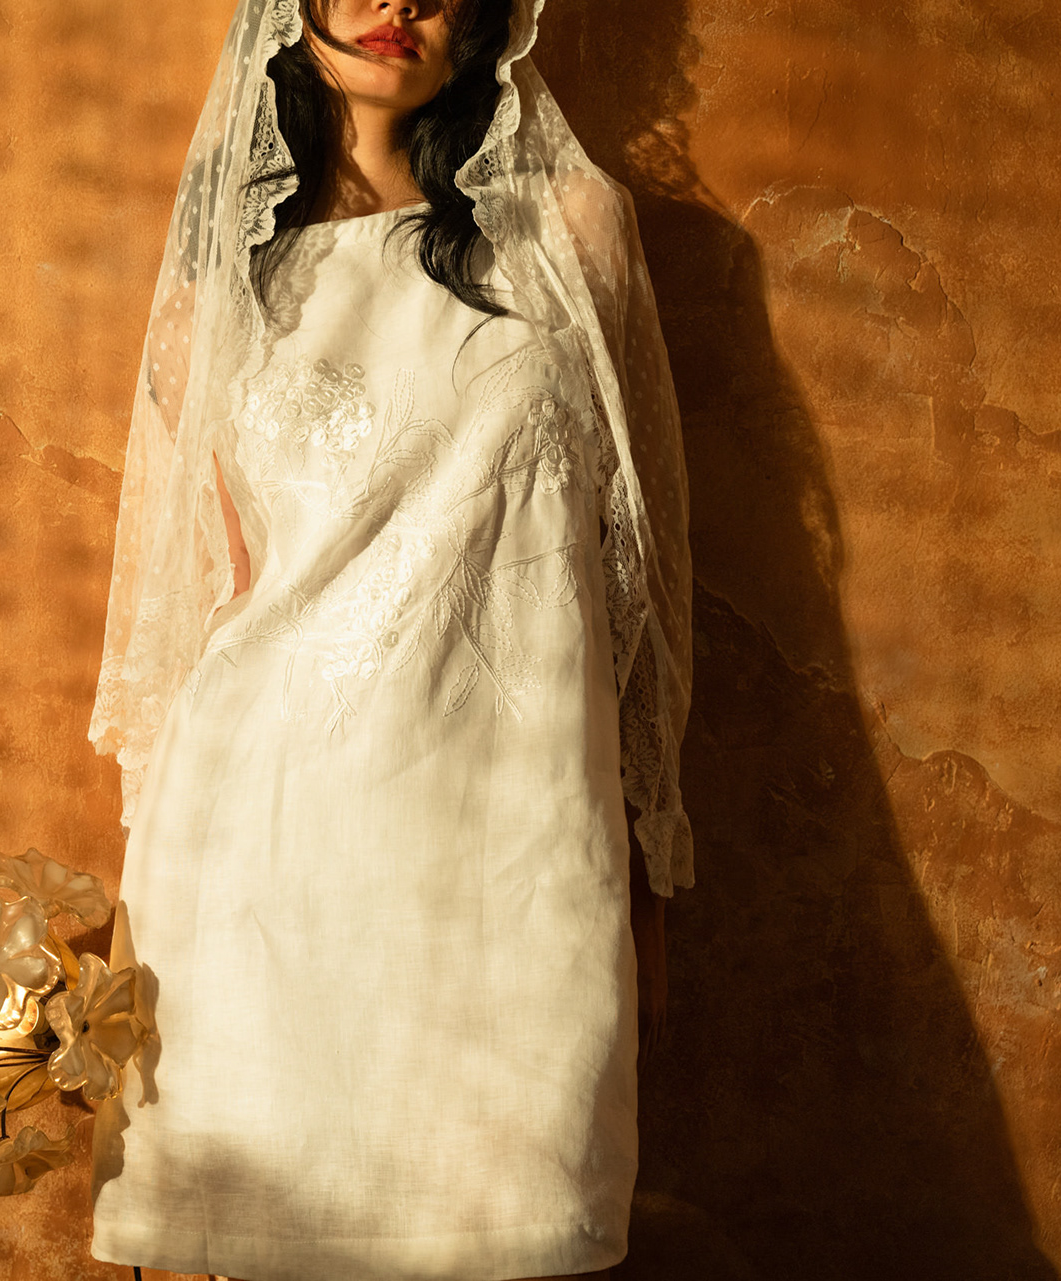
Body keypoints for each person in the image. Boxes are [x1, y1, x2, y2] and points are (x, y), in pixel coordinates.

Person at [85, 0, 694, 1276]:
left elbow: (632, 561)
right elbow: (211, 591)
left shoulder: (574, 235)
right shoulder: (221, 290)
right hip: (261, 843)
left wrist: (644, 829)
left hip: (512, 841)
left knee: (518, 1213)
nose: (396, 1)